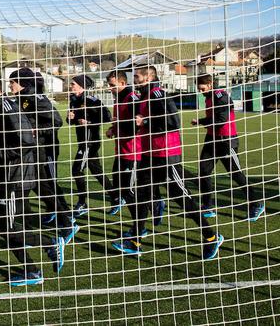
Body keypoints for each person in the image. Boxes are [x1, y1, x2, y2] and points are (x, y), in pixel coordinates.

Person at [111, 67, 223, 260]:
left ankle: (212, 237)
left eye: (137, 76)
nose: (134, 79)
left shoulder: (157, 94)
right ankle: (135, 241)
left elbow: (173, 122)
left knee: (182, 198)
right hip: (149, 154)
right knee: (143, 196)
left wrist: (144, 123)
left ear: (149, 77)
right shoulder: (144, 96)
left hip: (166, 154)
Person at [0, 74, 64, 286]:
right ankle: (35, 265)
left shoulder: (7, 107)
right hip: (8, 178)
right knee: (2, 227)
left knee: (8, 228)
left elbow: (26, 141)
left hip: (17, 179)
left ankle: (47, 249)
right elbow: (5, 140)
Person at [8, 68, 78, 243]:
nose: (10, 86)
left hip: (41, 149)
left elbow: (56, 121)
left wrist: (37, 131)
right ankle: (57, 222)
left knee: (43, 185)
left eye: (12, 82)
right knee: (40, 186)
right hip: (30, 149)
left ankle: (66, 222)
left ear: (22, 82)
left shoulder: (35, 97)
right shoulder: (22, 97)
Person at [192, 74, 265, 221]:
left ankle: (256, 204)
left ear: (210, 84)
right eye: (199, 89)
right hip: (211, 139)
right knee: (204, 170)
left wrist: (200, 121)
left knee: (235, 173)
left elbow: (221, 119)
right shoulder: (208, 97)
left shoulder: (221, 96)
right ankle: (207, 206)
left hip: (226, 140)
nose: (200, 91)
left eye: (202, 88)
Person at [67, 75, 118, 218]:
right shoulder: (73, 99)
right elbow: (71, 120)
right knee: (97, 171)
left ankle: (82, 203)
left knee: (77, 170)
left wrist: (89, 121)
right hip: (82, 141)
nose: (71, 86)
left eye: (73, 84)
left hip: (90, 142)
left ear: (81, 86)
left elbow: (107, 116)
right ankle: (115, 197)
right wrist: (72, 119)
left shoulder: (91, 100)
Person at [105, 70, 143, 234]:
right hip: (120, 151)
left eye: (112, 85)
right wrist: (113, 129)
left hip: (133, 152)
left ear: (122, 83)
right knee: (120, 188)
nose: (109, 88)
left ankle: (139, 228)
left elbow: (137, 125)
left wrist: (118, 124)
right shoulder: (118, 99)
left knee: (129, 190)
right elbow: (121, 122)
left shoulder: (132, 97)